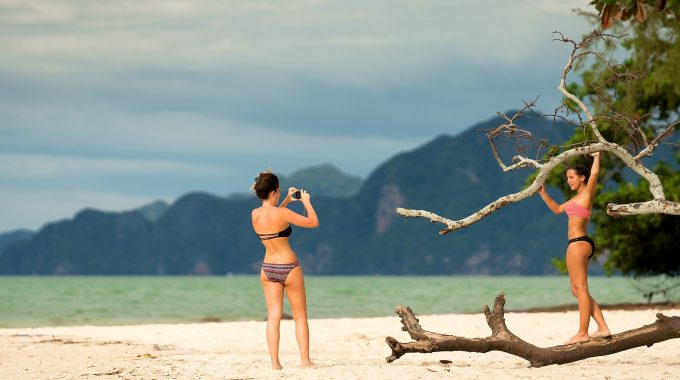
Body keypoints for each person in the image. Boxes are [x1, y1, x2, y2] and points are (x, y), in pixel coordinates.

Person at [537, 152, 611, 345]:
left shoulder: (586, 194)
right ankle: (602, 327)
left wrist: (597, 157)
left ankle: (582, 332)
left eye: (571, 177)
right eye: (567, 178)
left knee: (581, 288)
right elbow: (557, 209)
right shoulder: (574, 200)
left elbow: (595, 175)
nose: (568, 181)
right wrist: (544, 194)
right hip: (579, 243)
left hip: (579, 243)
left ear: (581, 178)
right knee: (577, 290)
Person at [251, 170, 319, 369]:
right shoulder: (283, 213)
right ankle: (305, 361)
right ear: (274, 191)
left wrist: (288, 200)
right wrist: (305, 201)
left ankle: (275, 363)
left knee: (273, 316)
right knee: (300, 316)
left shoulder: (255, 214)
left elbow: (274, 219)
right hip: (288, 267)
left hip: (268, 268)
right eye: (279, 192)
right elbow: (313, 222)